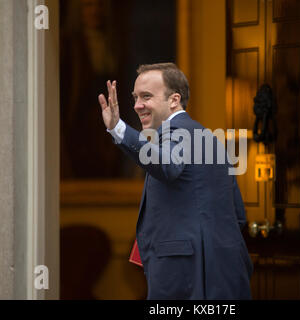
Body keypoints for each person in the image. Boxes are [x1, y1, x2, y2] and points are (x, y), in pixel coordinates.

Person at [98, 63, 253, 299]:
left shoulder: (177, 132)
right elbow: (238, 214)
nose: (137, 105)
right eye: (135, 97)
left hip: (186, 277)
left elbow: (167, 165)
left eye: (146, 96)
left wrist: (118, 128)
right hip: (223, 275)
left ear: (174, 100)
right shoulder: (207, 137)